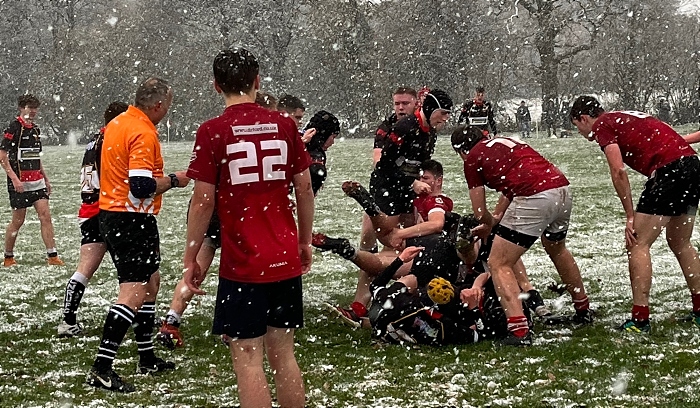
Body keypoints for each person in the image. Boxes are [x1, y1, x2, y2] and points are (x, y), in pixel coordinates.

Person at [182, 48, 313, 408]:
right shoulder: (285, 125)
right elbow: (304, 187)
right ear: (257, 81)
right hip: (283, 255)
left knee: (248, 360)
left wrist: (190, 255)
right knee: (284, 355)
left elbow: (203, 201)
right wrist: (303, 240)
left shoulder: (212, 131)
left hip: (243, 263)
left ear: (215, 85)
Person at [157, 89, 282, 349]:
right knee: (242, 272)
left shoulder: (221, 129)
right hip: (234, 211)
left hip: (211, 207)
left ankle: (172, 320)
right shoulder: (263, 134)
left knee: (199, 268)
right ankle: (232, 326)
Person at [86, 78, 190, 393]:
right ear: (157, 105)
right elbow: (141, 186)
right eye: (168, 107)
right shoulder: (143, 132)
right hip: (130, 218)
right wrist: (174, 179)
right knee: (133, 292)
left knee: (152, 282)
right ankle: (101, 369)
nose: (167, 113)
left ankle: (146, 358)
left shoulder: (118, 122)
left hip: (113, 213)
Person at [452, 125, 593, 346]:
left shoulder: (472, 159)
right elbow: (510, 187)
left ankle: (518, 330)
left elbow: (479, 212)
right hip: (561, 189)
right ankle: (582, 308)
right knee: (557, 249)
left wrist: (488, 224)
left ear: (461, 151)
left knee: (498, 262)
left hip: (535, 196)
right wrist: (497, 217)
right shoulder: (504, 143)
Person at [570, 95, 700, 333]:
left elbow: (618, 170)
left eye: (578, 126)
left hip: (669, 171)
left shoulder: (602, 125)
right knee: (681, 242)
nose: (580, 132)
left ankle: (640, 319)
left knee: (637, 243)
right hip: (691, 165)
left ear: (584, 118)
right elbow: (668, 138)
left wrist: (630, 216)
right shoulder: (625, 116)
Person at [57, 101, 129, 337]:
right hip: (108, 209)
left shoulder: (93, 141)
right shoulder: (112, 140)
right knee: (137, 271)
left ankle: (67, 319)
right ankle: (138, 313)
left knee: (84, 269)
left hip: (88, 210)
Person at [367, 88, 453, 244]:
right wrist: (412, 182)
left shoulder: (430, 133)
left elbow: (422, 163)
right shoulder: (404, 128)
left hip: (407, 188)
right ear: (431, 109)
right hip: (388, 187)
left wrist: (431, 180)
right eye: (443, 112)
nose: (446, 118)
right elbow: (384, 166)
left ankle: (404, 265)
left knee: (408, 237)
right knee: (388, 238)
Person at [1, 94, 64, 267]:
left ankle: (52, 256)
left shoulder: (35, 130)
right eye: (30, 107)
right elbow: (2, 156)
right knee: (18, 221)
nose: (33, 111)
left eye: (35, 108)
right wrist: (14, 179)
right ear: (21, 108)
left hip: (37, 181)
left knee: (46, 216)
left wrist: (46, 178)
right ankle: (8, 257)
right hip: (20, 182)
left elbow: (36, 157)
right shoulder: (13, 128)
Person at [304, 110, 340, 195]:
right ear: (324, 135)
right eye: (333, 137)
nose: (333, 142)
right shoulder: (314, 158)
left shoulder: (299, 143)